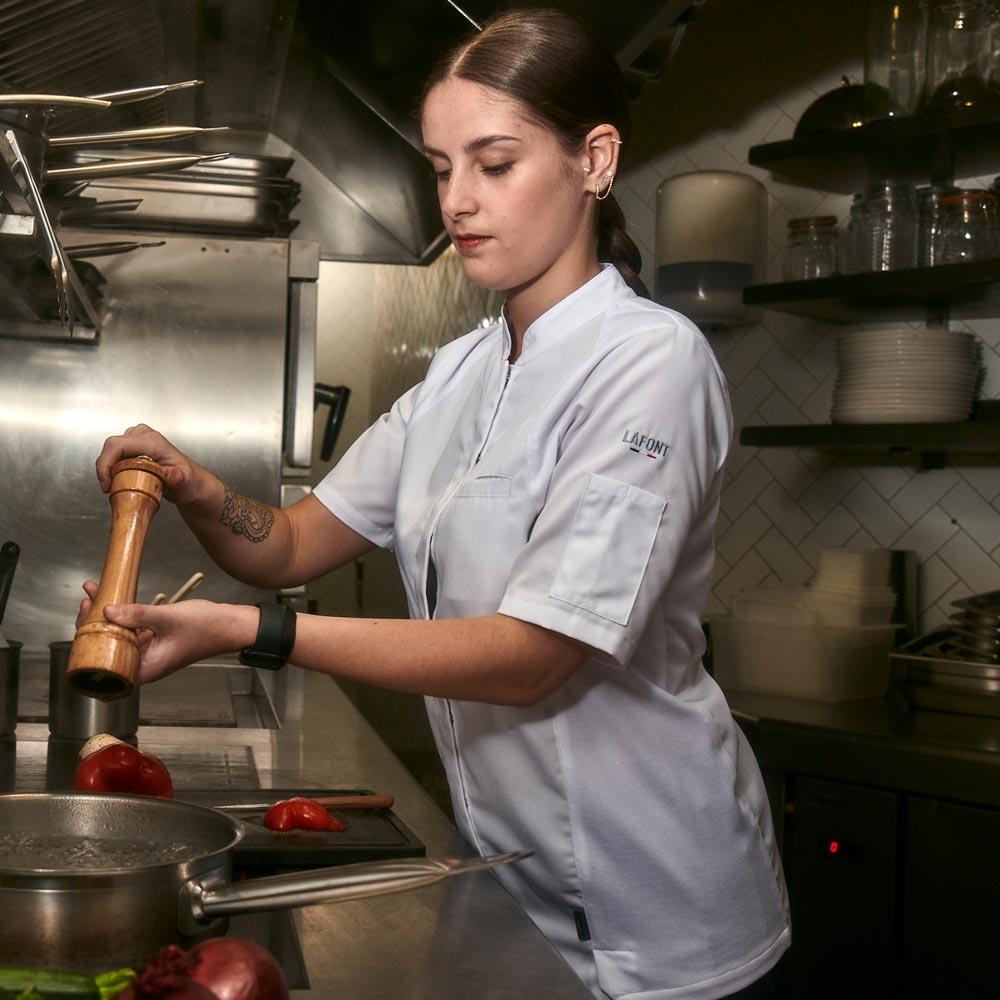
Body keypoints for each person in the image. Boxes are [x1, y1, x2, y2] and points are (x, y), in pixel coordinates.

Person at [80, 10, 789, 999]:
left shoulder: (650, 363)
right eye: (441, 167)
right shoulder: (458, 372)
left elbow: (530, 654)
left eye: (494, 164)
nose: (457, 200)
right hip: (513, 883)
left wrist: (249, 632)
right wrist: (193, 483)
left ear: (594, 159)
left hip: (658, 916)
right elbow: (287, 545)